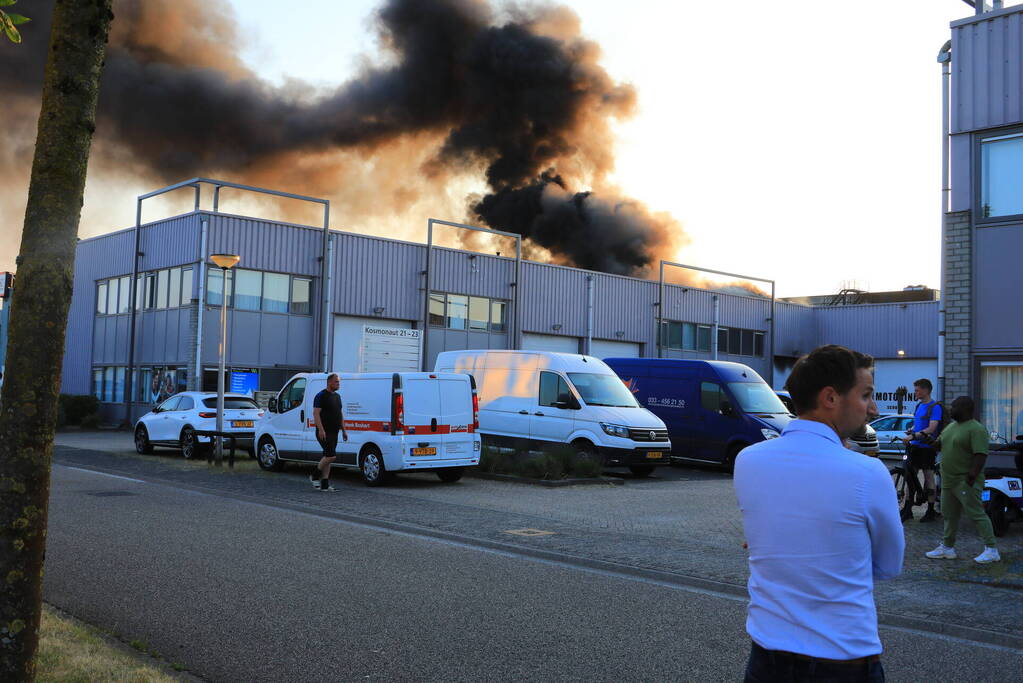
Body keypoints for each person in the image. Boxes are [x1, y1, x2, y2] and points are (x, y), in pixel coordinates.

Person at [734, 345, 904, 682]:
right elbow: (889, 565)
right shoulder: (867, 473)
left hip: (767, 658)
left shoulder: (748, 460)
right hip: (842, 659)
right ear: (830, 398)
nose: (872, 408)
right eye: (866, 394)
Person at [925, 396, 1000, 564]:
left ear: (965, 409)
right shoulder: (951, 427)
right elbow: (940, 445)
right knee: (949, 515)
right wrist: (929, 441)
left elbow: (980, 455)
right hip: (948, 480)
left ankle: (992, 549)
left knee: (976, 514)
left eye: (954, 407)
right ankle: (947, 548)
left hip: (965, 481)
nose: (951, 410)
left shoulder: (976, 429)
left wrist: (972, 477)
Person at [900, 378, 943, 522]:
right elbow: (919, 425)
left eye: (917, 390)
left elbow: (931, 428)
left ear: (925, 390)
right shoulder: (919, 405)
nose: (915, 392)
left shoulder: (935, 407)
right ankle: (907, 508)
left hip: (927, 448)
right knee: (909, 476)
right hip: (915, 446)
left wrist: (913, 435)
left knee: (928, 476)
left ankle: (930, 510)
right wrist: (911, 431)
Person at [311, 373, 347, 491]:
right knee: (331, 456)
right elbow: (316, 414)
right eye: (336, 382)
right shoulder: (321, 396)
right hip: (324, 432)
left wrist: (344, 430)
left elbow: (339, 413)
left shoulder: (337, 396)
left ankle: (325, 485)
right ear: (329, 382)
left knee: (327, 456)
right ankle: (314, 475)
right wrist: (321, 429)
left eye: (339, 382)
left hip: (335, 431)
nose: (338, 384)